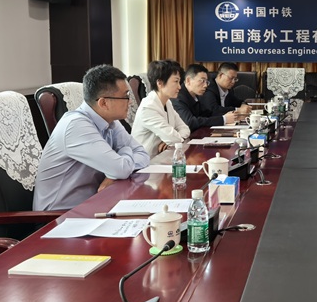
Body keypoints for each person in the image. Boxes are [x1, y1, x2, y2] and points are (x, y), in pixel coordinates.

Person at [34, 65, 150, 211]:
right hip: (59, 215)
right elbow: (121, 169)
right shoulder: (76, 126)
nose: (131, 102)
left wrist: (114, 173)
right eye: (126, 96)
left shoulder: (111, 121)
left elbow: (143, 155)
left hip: (94, 205)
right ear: (103, 103)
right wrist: (124, 151)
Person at [131, 60, 191, 158]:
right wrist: (173, 139)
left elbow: (185, 128)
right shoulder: (148, 107)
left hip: (161, 158)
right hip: (144, 162)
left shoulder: (167, 102)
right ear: (160, 83)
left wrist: (173, 140)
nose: (179, 87)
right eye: (176, 81)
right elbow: (174, 139)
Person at [172, 64, 240, 132]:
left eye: (207, 82)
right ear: (188, 80)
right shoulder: (178, 98)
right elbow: (190, 122)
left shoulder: (197, 95)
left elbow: (207, 114)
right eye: (202, 81)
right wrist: (223, 119)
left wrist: (232, 115)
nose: (205, 85)